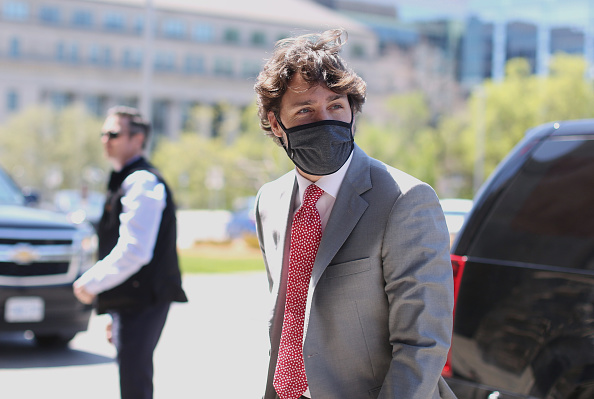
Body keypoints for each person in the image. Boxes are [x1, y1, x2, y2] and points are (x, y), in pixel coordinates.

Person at [253, 29, 456, 399]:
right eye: (305, 110)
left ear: (352, 111)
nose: (325, 119)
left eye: (335, 106)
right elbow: (285, 320)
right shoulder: (269, 201)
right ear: (276, 123)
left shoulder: (405, 200)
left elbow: (422, 344)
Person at [73, 106, 188, 399]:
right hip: (132, 299)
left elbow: (135, 250)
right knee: (132, 375)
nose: (104, 139)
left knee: (134, 380)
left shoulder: (142, 181)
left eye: (113, 133)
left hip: (144, 298)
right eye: (103, 133)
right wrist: (112, 308)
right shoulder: (126, 179)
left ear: (137, 139)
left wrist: (90, 283)